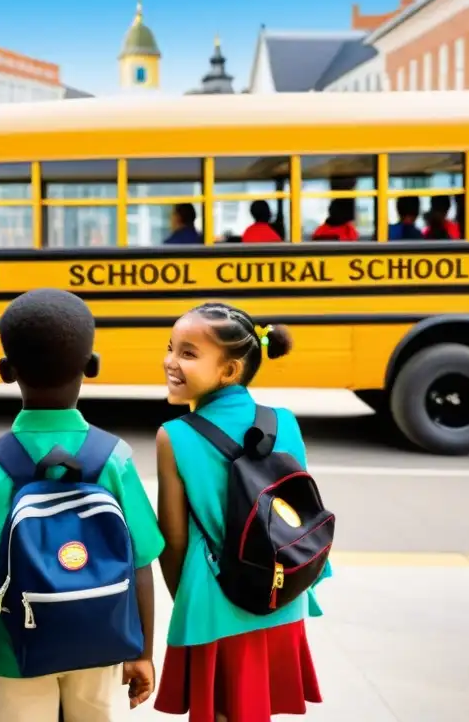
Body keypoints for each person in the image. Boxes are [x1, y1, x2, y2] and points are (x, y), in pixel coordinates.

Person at [0, 288, 164, 722]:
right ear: (92, 366)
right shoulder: (115, 458)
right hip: (101, 640)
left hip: (13, 647)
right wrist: (142, 651)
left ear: (5, 371)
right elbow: (140, 564)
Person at [154, 303, 329, 721]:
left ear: (230, 370)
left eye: (188, 353)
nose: (169, 361)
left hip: (215, 599)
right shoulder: (285, 421)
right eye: (171, 347)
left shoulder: (174, 436)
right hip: (282, 594)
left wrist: (186, 599)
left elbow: (173, 540)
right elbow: (299, 509)